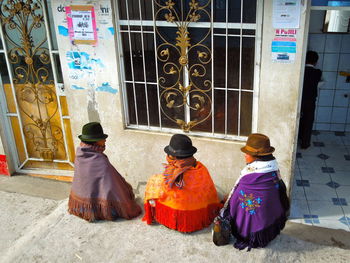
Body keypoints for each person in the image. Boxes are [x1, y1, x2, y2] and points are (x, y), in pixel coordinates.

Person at [218, 133, 289, 250]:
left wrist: (226, 207)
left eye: (248, 153)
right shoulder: (273, 170)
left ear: (257, 156)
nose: (245, 155)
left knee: (240, 202)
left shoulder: (249, 178)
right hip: (269, 223)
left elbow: (235, 200)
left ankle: (249, 233)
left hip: (252, 233)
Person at [142, 134, 222, 233]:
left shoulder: (170, 177)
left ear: (174, 157)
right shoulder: (201, 169)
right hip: (198, 218)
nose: (167, 157)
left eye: (170, 155)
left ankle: (168, 218)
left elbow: (164, 187)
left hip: (180, 219)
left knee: (153, 181)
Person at [68, 122, 141, 222]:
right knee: (121, 198)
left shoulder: (80, 153)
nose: (105, 140)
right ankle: (99, 210)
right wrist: (125, 198)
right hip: (99, 207)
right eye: (102, 138)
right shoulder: (99, 160)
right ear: (95, 141)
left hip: (80, 205)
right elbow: (113, 186)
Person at [299, 50, 323, 149]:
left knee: (298, 119)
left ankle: (297, 137)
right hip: (310, 100)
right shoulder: (318, 72)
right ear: (316, 62)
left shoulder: (301, 71)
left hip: (300, 99)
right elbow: (320, 83)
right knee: (308, 121)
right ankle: (305, 143)